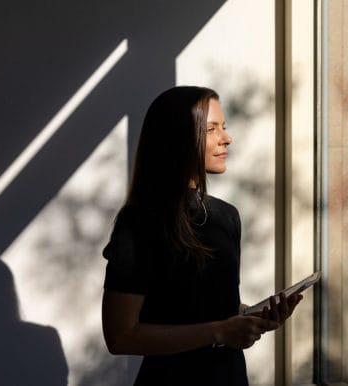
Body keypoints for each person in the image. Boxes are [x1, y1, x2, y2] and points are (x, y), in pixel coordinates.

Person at [101, 86, 302, 386]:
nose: (227, 138)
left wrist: (254, 317)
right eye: (211, 129)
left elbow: (207, 308)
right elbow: (120, 336)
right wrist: (220, 332)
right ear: (178, 139)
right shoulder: (140, 222)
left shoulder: (226, 216)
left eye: (224, 127)